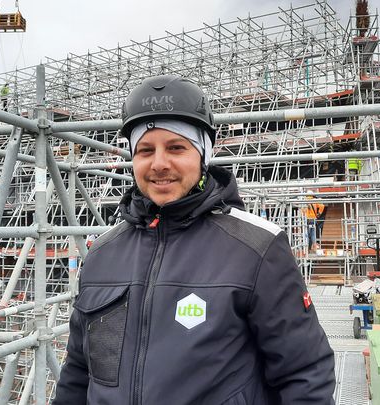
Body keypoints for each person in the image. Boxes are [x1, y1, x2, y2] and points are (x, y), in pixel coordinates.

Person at [52, 75, 335, 405]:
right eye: (145, 150)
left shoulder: (257, 248)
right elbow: (78, 372)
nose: (159, 163)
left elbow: (305, 374)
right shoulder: (102, 253)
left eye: (176, 147)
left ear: (202, 154)